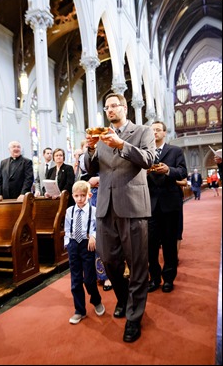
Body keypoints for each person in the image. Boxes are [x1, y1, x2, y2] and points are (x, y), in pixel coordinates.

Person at [84, 93, 155, 343]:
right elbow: (91, 170)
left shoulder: (142, 131)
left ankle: (134, 318)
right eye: (107, 107)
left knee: (137, 264)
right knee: (109, 259)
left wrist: (121, 145)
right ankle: (124, 299)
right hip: (105, 206)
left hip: (133, 205)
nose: (110, 110)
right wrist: (91, 148)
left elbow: (149, 160)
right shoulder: (101, 135)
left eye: (114, 105)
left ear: (125, 107)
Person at [147, 121, 187, 294]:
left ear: (164, 133)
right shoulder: (146, 153)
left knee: (170, 244)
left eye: (157, 130)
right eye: (152, 130)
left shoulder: (175, 151)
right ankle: (154, 278)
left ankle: (168, 279)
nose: (154, 132)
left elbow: (183, 172)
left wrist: (168, 170)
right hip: (150, 205)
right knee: (150, 245)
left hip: (169, 204)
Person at [64, 180, 105, 324]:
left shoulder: (94, 210)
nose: (80, 199)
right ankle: (79, 310)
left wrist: (93, 236)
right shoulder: (70, 211)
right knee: (75, 281)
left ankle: (96, 300)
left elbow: (97, 227)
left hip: (87, 246)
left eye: (83, 195)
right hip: (74, 245)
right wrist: (68, 244)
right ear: (73, 197)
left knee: (89, 279)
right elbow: (67, 229)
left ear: (89, 195)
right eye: (76, 196)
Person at [88, 175, 112, 292]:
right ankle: (101, 274)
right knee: (95, 232)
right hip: (93, 195)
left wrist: (101, 179)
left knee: (108, 235)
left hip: (111, 192)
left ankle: (110, 275)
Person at [176, 178, 188, 261]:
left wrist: (173, 181)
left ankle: (175, 256)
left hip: (175, 201)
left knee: (177, 230)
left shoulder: (177, 167)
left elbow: (184, 182)